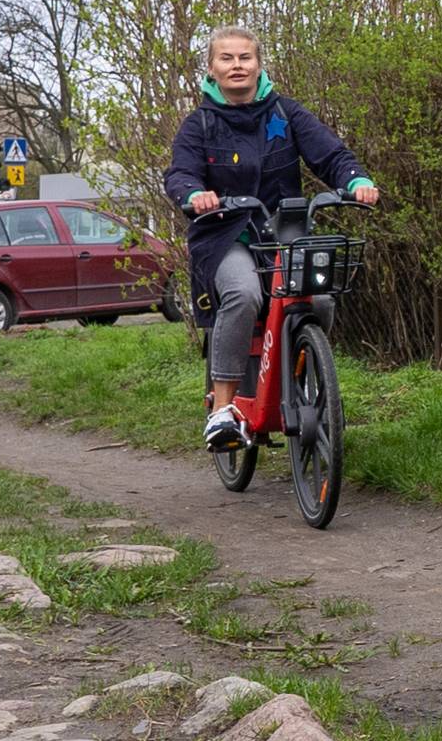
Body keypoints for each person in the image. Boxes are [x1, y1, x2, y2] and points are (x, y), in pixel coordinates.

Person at [162, 25, 380, 452]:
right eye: (227, 58)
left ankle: (299, 375)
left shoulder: (286, 113)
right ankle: (223, 411)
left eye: (245, 57)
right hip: (227, 235)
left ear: (258, 64)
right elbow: (180, 172)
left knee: (319, 298)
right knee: (243, 294)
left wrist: (356, 181)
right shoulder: (200, 124)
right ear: (212, 68)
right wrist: (194, 194)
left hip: (286, 233)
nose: (237, 65)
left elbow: (331, 154)